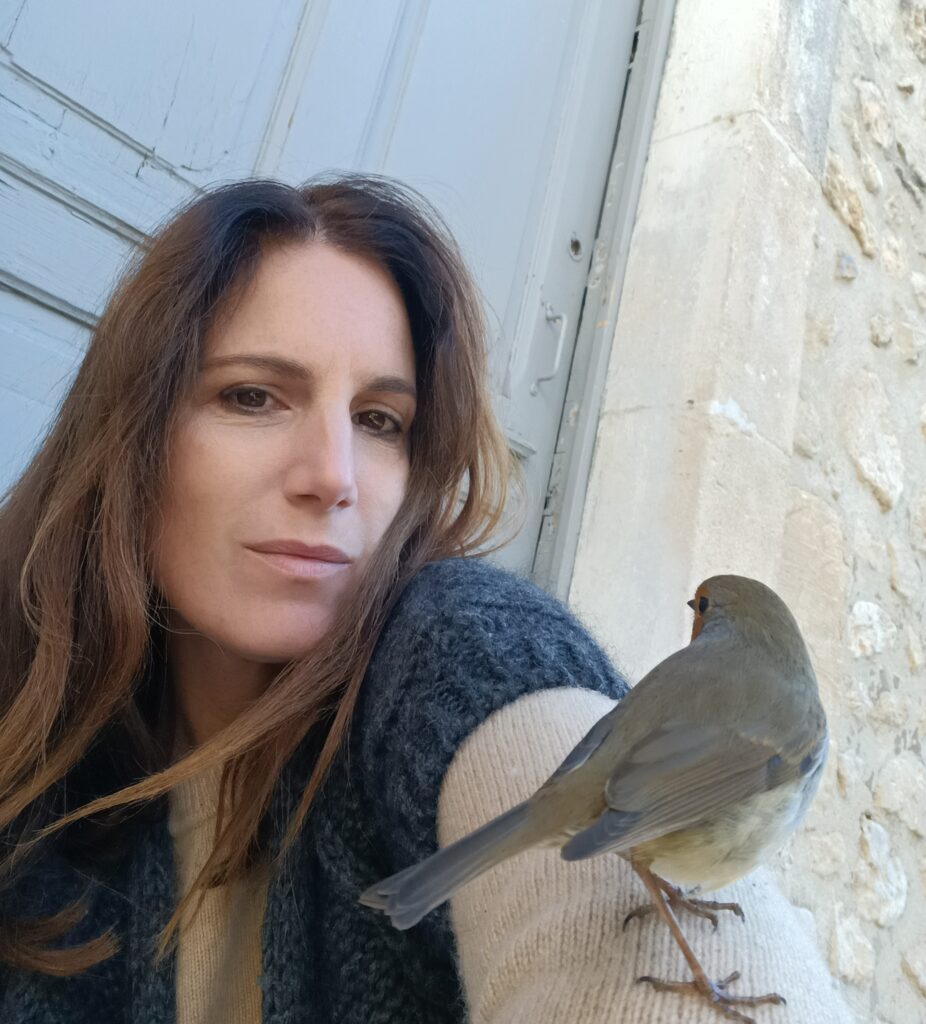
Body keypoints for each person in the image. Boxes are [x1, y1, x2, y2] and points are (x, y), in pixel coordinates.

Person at [0, 176, 852, 1024]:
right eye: (252, 396)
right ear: (135, 429)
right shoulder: (36, 738)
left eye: (379, 420)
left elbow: (524, 726)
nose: (331, 476)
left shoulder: (449, 647)